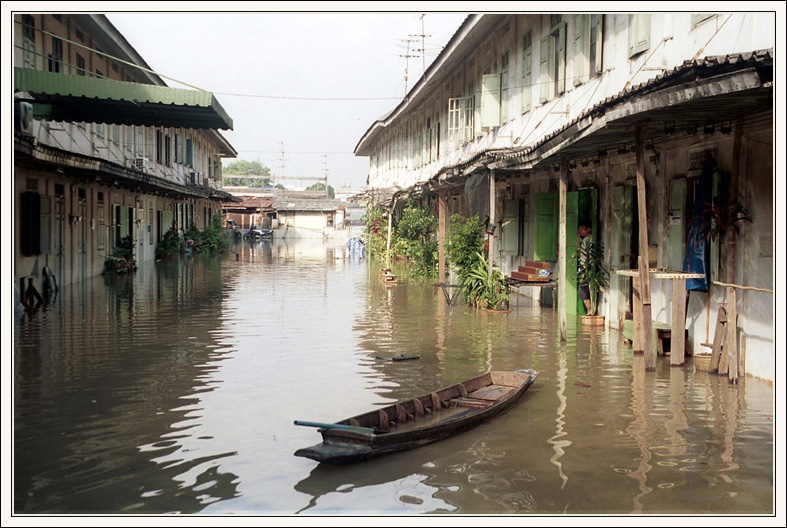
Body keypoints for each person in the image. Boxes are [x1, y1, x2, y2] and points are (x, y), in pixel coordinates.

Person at [577, 224, 592, 313]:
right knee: (584, 290)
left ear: (588, 229)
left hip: (585, 267)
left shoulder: (588, 240)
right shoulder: (586, 240)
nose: (579, 231)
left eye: (581, 229)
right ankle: (589, 311)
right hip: (584, 267)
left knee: (583, 290)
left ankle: (589, 311)